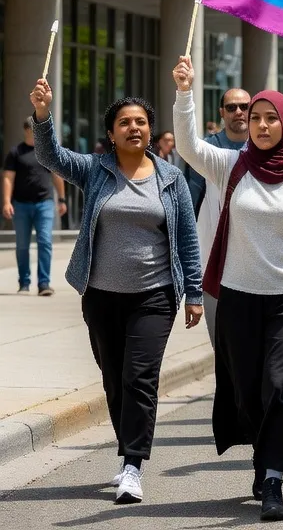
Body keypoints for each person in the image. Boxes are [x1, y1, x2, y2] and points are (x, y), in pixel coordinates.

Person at [173, 58, 283, 520]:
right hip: (237, 299)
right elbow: (187, 146)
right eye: (255, 119)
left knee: (280, 386)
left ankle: (273, 478)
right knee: (247, 391)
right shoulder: (231, 165)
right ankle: (261, 454)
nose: (262, 125)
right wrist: (185, 92)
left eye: (271, 118)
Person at [29, 82, 202, 505]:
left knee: (139, 379)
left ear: (150, 130)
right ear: (111, 133)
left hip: (154, 296)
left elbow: (188, 240)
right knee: (113, 379)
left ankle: (132, 465)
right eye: (124, 122)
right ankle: (129, 449)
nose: (134, 128)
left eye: (141, 122)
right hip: (102, 296)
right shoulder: (95, 169)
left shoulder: (170, 178)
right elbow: (50, 156)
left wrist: (194, 291)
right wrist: (42, 115)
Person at [186, 88, 251, 345]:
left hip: (254, 260)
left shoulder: (263, 146)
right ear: (222, 113)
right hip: (213, 257)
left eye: (245, 107)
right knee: (221, 339)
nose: (239, 112)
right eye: (232, 107)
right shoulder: (206, 149)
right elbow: (192, 199)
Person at [5, 118, 68, 295]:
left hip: (44, 203)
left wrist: (61, 199)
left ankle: (44, 284)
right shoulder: (16, 152)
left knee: (45, 242)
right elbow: (8, 178)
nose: (36, 132)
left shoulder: (46, 152)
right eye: (33, 129)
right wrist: (6, 202)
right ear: (26, 130)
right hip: (21, 205)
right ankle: (24, 283)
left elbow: (57, 176)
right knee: (22, 245)